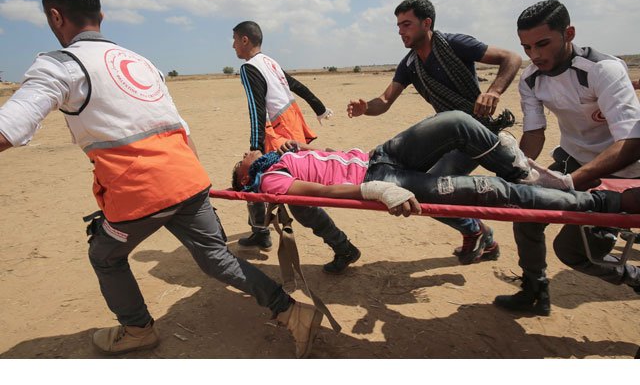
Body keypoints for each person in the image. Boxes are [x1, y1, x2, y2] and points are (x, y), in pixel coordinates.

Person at [0, 0, 323, 359]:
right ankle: (290, 311)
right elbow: (181, 128)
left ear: (54, 16)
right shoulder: (140, 62)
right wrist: (198, 189)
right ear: (101, 17)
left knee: (104, 255)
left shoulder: (61, 65)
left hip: (141, 193)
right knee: (216, 258)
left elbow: (9, 128)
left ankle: (137, 330)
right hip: (188, 177)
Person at [347, 0, 523, 265]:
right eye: (398, 26)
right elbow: (384, 101)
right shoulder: (409, 64)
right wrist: (365, 108)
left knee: (433, 192)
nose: (400, 31)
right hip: (446, 136)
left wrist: (493, 91)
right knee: (428, 191)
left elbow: (511, 57)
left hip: (476, 132)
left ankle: (477, 231)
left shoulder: (455, 44)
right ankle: (482, 235)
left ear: (426, 23)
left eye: (406, 24)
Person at [494, 0, 640, 316]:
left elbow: (630, 142)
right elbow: (534, 134)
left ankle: (634, 276)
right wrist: (514, 171)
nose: (535, 55)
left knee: (573, 251)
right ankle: (535, 291)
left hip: (623, 172)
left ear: (569, 33)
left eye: (543, 44)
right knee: (526, 215)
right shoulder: (531, 78)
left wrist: (570, 183)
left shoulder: (603, 70)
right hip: (572, 161)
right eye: (527, 47)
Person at [232, 110, 640, 220]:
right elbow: (320, 192)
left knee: (456, 121)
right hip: (379, 178)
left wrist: (294, 147)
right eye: (241, 159)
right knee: (494, 194)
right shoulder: (270, 180)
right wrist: (373, 191)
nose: (246, 152)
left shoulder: (281, 157)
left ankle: (533, 173)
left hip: (379, 155)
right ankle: (601, 204)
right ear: (245, 176)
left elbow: (322, 161)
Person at [232, 21, 360, 274]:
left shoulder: (249, 68)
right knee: (261, 183)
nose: (233, 44)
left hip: (280, 133)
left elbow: (256, 109)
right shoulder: (270, 62)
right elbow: (297, 86)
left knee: (288, 196)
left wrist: (255, 149)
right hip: (291, 125)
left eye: (235, 39)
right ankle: (259, 231)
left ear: (245, 40)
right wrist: (319, 107)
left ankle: (342, 246)